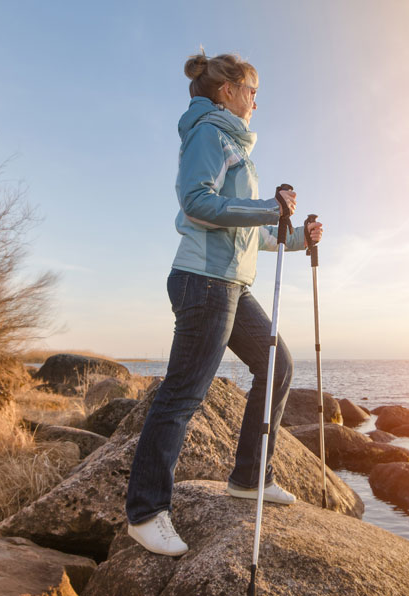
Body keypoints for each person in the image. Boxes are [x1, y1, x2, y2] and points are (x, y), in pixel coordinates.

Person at [124, 52, 323, 556]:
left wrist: (296, 234)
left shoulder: (234, 142)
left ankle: (250, 477)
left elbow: (244, 234)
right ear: (229, 90)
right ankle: (145, 513)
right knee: (184, 395)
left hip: (232, 282)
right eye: (253, 90)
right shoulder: (209, 134)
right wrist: (266, 208)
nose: (258, 100)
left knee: (277, 364)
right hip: (203, 281)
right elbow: (196, 202)